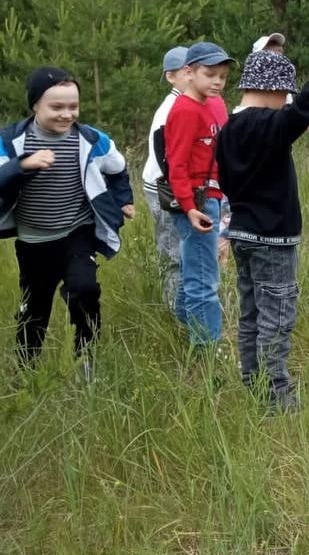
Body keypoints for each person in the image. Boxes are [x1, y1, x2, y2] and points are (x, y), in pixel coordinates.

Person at [215, 48, 309, 414]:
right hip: (273, 239)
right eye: (284, 93)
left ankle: (252, 381)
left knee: (252, 314)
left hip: (241, 233)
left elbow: (224, 179)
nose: (287, 99)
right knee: (277, 316)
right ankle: (275, 395)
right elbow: (302, 110)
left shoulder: (228, 128)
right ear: (273, 90)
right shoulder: (267, 125)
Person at [0, 67, 134, 378]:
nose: (66, 114)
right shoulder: (12, 141)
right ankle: (25, 369)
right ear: (35, 105)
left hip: (77, 231)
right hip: (34, 239)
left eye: (72, 106)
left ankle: (86, 359)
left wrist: (124, 199)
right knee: (36, 307)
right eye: (56, 107)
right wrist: (25, 164)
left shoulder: (91, 139)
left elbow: (118, 169)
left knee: (85, 290)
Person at [165, 41, 234, 350]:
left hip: (210, 196)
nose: (217, 81)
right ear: (189, 73)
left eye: (222, 75)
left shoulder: (206, 105)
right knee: (205, 277)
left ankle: (183, 319)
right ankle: (207, 350)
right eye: (210, 74)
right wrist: (190, 207)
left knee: (196, 265)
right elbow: (176, 164)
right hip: (197, 201)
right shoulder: (185, 110)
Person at [143, 46, 189, 314]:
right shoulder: (170, 109)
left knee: (184, 251)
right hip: (164, 189)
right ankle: (175, 311)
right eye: (187, 71)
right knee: (172, 251)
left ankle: (184, 306)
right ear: (171, 76)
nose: (194, 75)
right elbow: (168, 159)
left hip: (177, 188)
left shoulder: (189, 104)